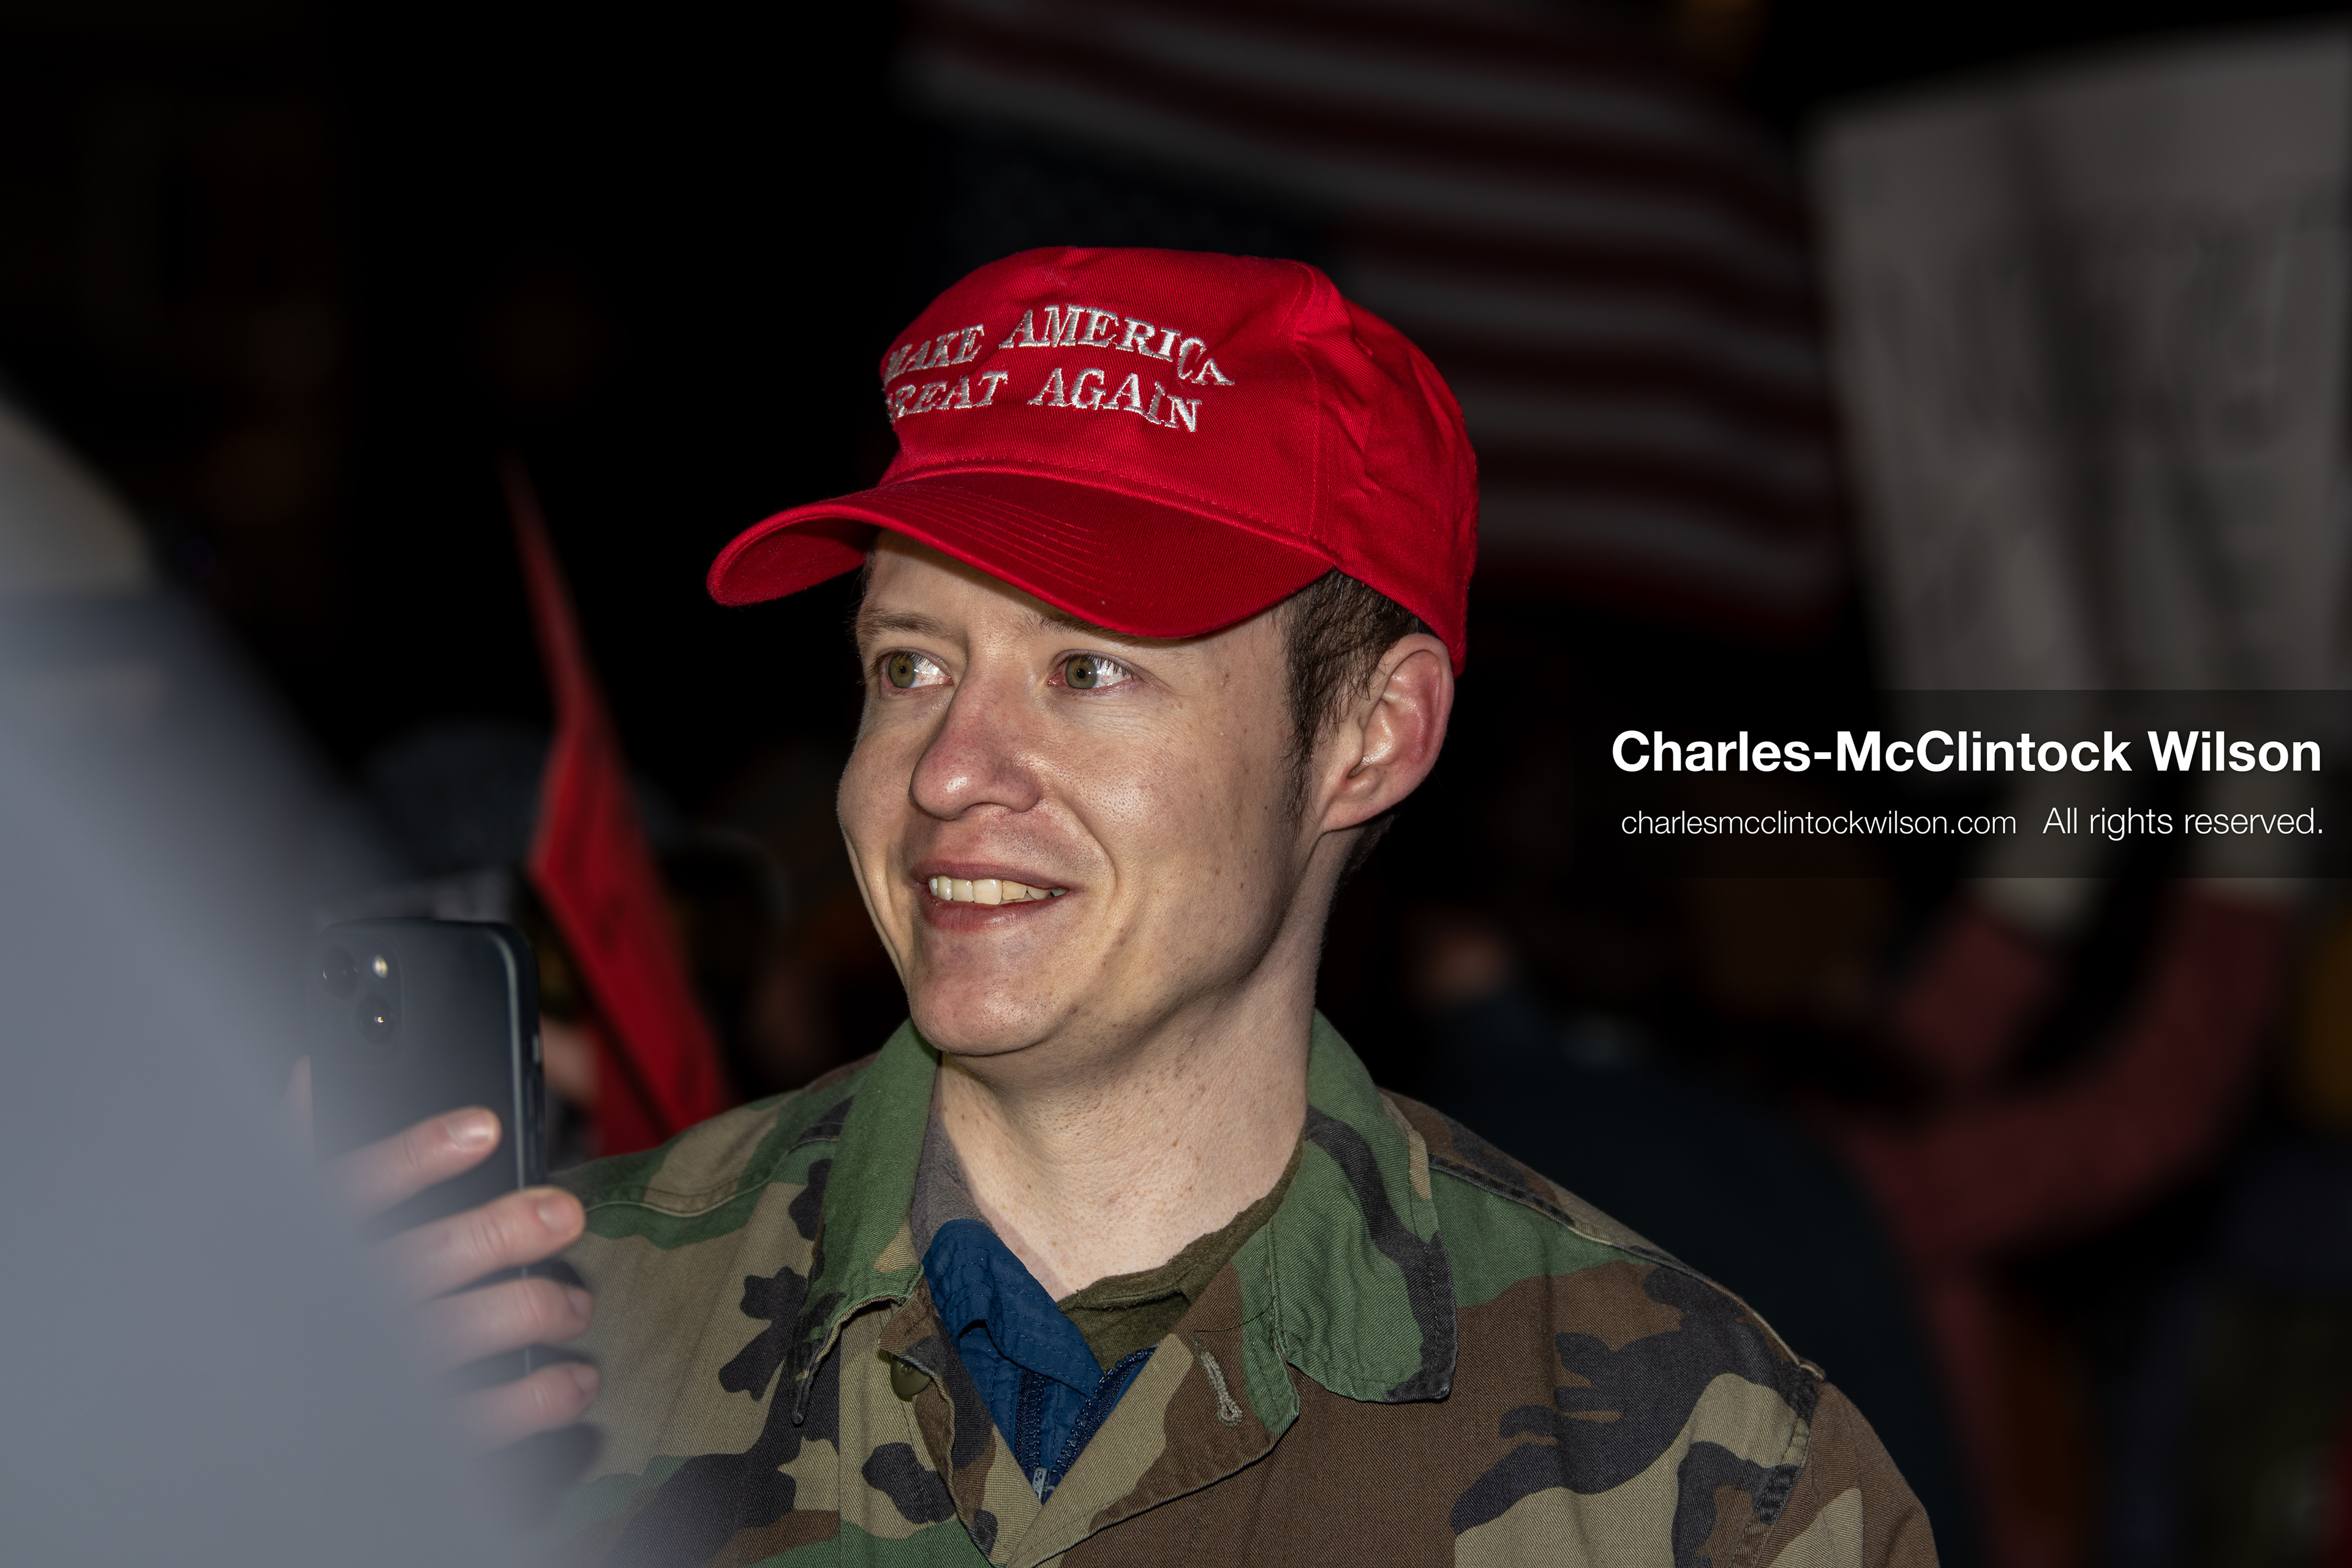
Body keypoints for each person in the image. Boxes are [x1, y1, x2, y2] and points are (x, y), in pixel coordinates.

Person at [350, 247, 1934, 1564]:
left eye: (1088, 667)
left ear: (1370, 737)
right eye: (909, 665)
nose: (950, 769)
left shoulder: (1702, 1478)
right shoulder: (521, 1346)